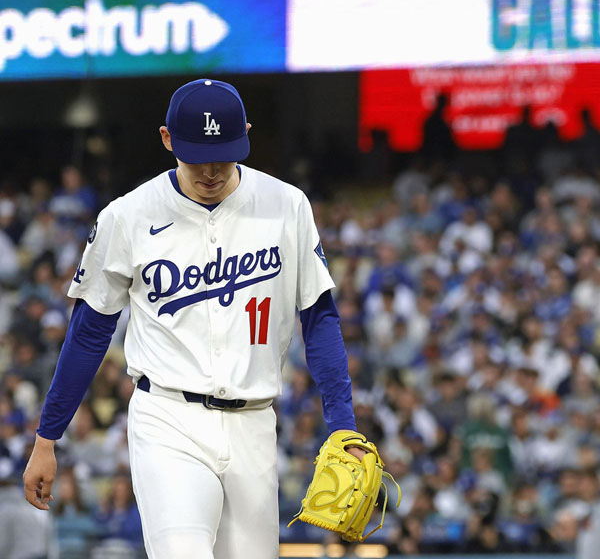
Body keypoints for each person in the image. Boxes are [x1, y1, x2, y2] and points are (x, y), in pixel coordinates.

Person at [22, 78, 363, 559]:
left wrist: (343, 424)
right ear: (167, 139)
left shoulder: (287, 205)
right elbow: (89, 332)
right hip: (168, 418)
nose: (210, 170)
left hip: (254, 424)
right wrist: (47, 437)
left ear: (245, 135)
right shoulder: (128, 216)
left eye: (223, 156)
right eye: (197, 156)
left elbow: (320, 318)